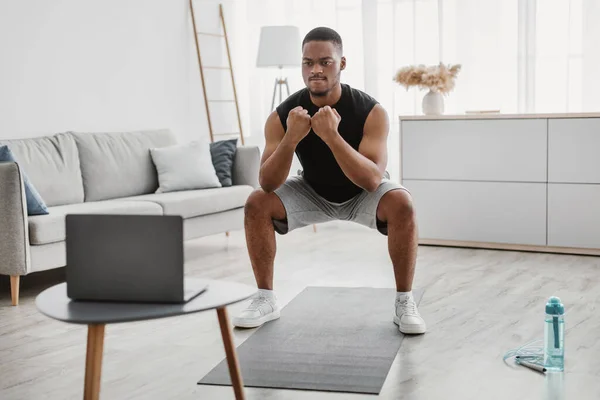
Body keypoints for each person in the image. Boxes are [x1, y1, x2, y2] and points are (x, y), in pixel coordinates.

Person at [232, 27, 426, 335]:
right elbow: (267, 182)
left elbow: (373, 180)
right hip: (311, 191)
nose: (316, 70)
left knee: (402, 202)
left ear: (342, 63)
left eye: (325, 61)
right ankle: (266, 299)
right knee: (256, 202)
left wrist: (332, 137)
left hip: (361, 193)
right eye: (308, 62)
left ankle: (404, 302)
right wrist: (291, 139)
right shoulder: (283, 115)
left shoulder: (371, 111)